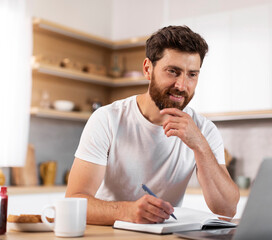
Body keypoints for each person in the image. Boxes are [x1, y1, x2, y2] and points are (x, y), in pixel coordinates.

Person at [66, 25, 240, 225]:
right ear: (148, 69)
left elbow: (227, 210)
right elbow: (75, 200)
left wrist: (199, 144)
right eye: (173, 72)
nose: (182, 85)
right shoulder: (107, 119)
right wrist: (127, 211)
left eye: (192, 74)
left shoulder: (203, 130)